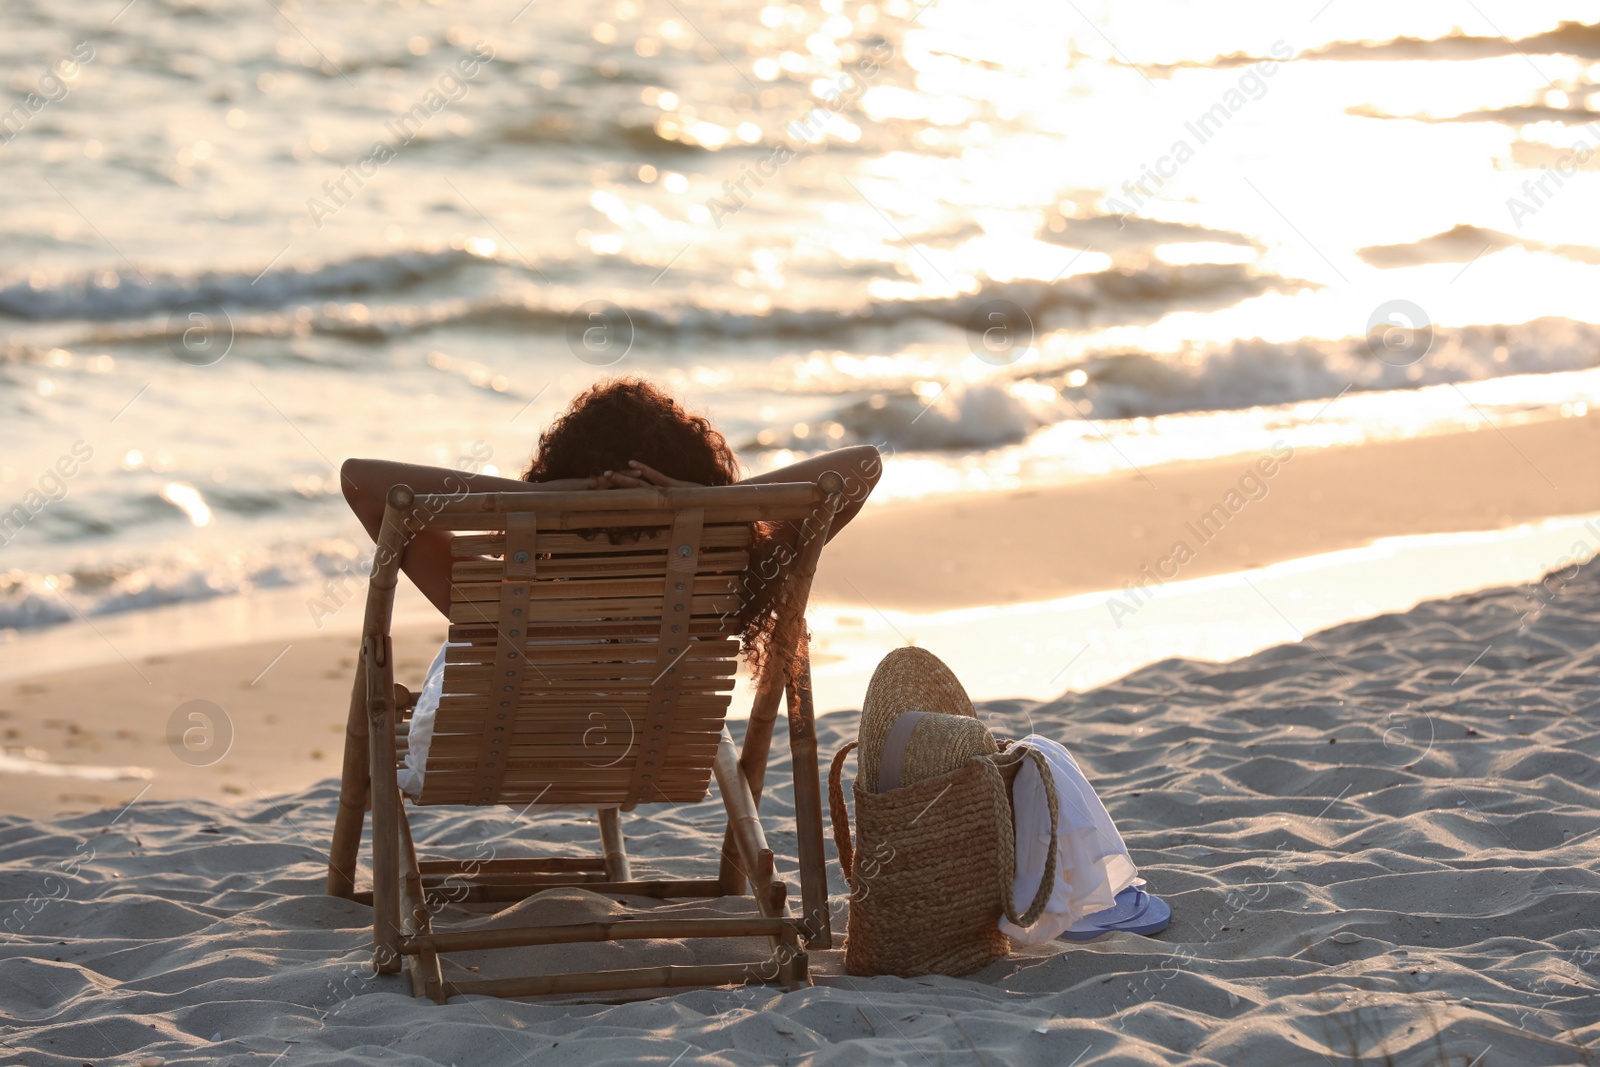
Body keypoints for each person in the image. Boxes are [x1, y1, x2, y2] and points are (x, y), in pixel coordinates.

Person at [339, 378, 881, 794]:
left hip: (480, 756)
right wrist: (708, 507)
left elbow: (360, 479)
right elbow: (861, 465)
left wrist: (532, 500)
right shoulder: (723, 583)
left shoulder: (503, 604)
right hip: (655, 755)